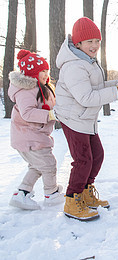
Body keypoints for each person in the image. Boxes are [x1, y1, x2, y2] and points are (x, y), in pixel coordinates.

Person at [54, 17, 118, 221]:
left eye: (97, 41)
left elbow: (95, 87)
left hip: (85, 119)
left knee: (97, 155)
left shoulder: (88, 62)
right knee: (83, 160)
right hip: (73, 118)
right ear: (78, 44)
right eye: (89, 41)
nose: (94, 46)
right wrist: (114, 93)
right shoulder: (74, 66)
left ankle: (85, 192)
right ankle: (72, 200)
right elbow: (86, 97)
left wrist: (116, 84)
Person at [8, 50, 65, 210]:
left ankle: (22, 193)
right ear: (33, 73)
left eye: (47, 70)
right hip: (29, 136)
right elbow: (27, 113)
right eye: (42, 71)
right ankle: (51, 194)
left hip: (34, 135)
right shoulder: (26, 90)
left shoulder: (42, 87)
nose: (46, 74)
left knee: (37, 166)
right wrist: (50, 114)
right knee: (48, 164)